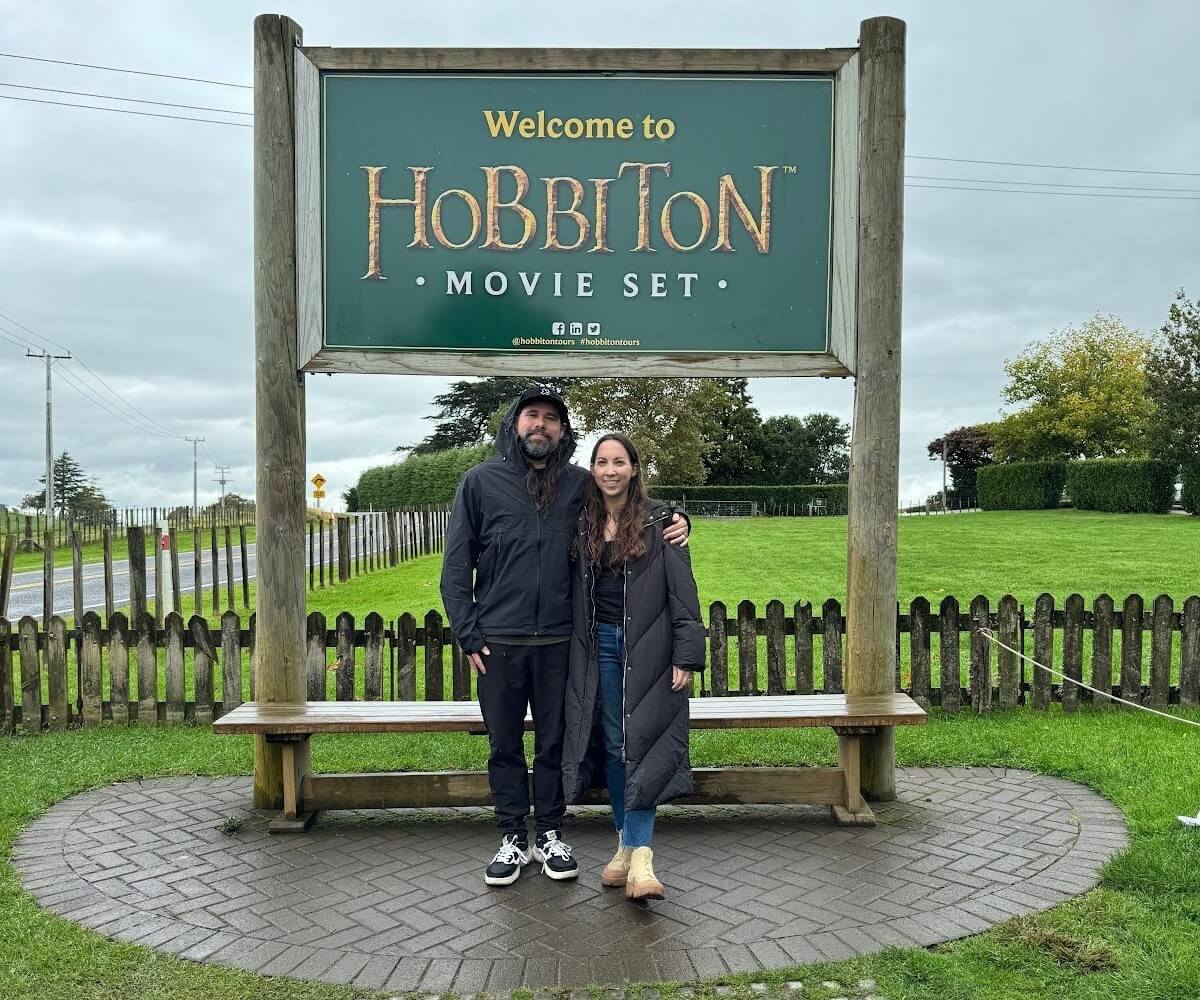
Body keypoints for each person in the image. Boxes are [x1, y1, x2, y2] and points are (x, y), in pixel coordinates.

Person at [440, 387, 690, 887]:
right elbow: (454, 569)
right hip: (499, 642)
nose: (541, 425)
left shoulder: (579, 485)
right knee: (504, 744)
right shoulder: (479, 483)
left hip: (562, 642)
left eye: (551, 419)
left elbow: (633, 503)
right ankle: (513, 836)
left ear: (562, 431)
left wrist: (681, 519)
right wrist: (469, 636)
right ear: (515, 423)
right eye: (532, 416)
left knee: (556, 742)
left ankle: (551, 832)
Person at [561, 433, 705, 902]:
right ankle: (625, 847)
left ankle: (641, 858)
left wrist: (686, 654)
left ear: (634, 468)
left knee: (642, 741)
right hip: (597, 646)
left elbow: (683, 591)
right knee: (613, 743)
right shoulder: (580, 519)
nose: (609, 470)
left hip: (650, 647)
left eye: (619, 462)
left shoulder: (662, 522)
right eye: (601, 462)